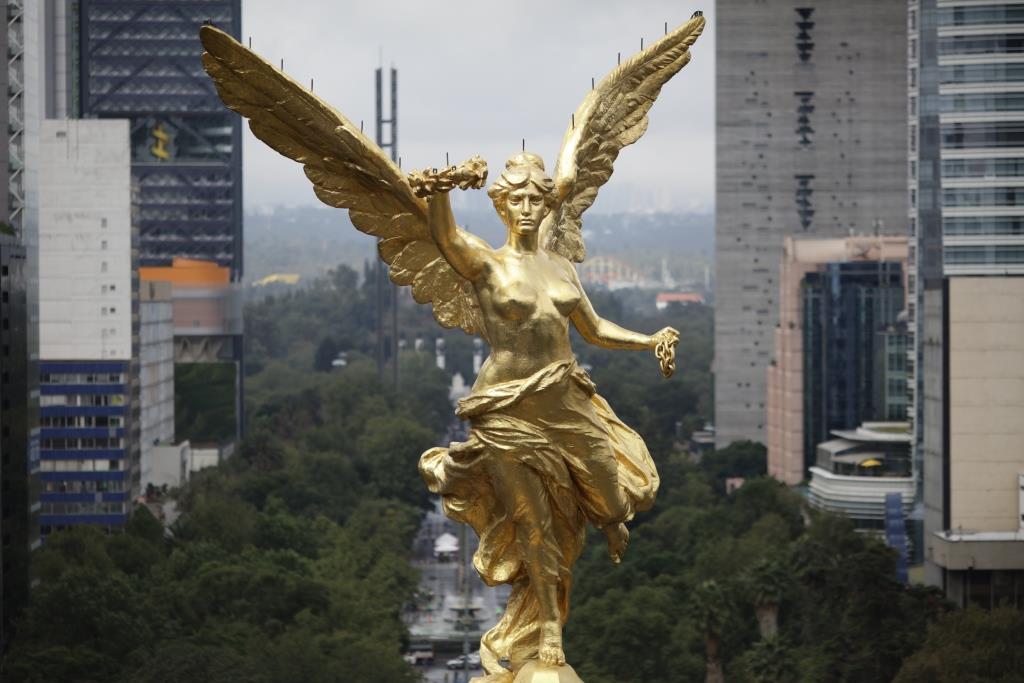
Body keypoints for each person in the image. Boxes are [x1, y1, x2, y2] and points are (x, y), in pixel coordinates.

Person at [417, 153, 676, 677]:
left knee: (612, 496)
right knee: (533, 524)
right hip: (506, 408)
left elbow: (595, 329)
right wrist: (441, 187)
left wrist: (650, 340)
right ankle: (550, 628)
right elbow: (443, 238)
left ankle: (606, 518)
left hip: (565, 400)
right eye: (518, 199)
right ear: (502, 205)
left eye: (538, 198)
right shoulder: (485, 262)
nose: (529, 208)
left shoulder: (562, 267)